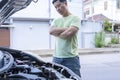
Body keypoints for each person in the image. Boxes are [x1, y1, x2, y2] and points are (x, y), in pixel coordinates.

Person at [49, 0, 81, 77]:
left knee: (74, 78)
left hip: (71, 58)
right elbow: (51, 31)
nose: (58, 9)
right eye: (56, 7)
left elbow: (69, 34)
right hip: (56, 57)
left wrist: (57, 33)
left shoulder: (75, 18)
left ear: (65, 4)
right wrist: (67, 28)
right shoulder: (56, 20)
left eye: (59, 5)